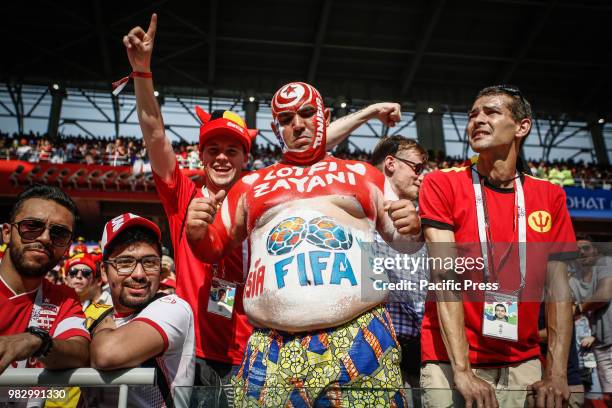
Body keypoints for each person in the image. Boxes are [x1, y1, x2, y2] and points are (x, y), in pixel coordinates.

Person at [121, 13, 404, 407]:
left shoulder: (259, 188)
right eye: (213, 150)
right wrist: (142, 73)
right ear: (200, 156)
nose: (222, 158)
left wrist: (367, 113)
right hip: (199, 350)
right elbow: (155, 134)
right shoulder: (188, 196)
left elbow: (310, 143)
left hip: (248, 346)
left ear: (245, 156)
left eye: (231, 150)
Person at [186, 80, 420, 406]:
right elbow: (211, 247)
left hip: (359, 340)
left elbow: (403, 241)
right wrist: (195, 230)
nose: (297, 125)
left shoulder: (364, 174)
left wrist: (412, 226)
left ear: (323, 116)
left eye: (307, 113)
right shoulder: (250, 186)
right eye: (285, 119)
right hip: (271, 347)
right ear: (275, 127)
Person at [418, 85, 577, 408]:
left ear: (522, 126)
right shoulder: (442, 183)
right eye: (473, 114)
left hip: (523, 361)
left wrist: (557, 373)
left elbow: (559, 289)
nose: (477, 120)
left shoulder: (550, 195)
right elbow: (444, 277)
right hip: (450, 361)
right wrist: (462, 372)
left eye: (491, 112)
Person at [89, 213, 195, 408]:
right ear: (104, 271)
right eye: (125, 262)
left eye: (149, 263)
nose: (139, 274)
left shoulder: (173, 308)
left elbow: (106, 353)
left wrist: (100, 323)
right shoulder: (93, 315)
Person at [0, 185, 90, 374]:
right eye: (32, 226)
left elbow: (80, 353)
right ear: (7, 232)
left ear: (67, 247)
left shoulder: (64, 298)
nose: (45, 238)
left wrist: (37, 342)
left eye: (59, 233)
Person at [369, 136, 428, 397]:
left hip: (422, 350)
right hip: (378, 349)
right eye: (417, 168)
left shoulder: (424, 217)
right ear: (391, 163)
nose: (421, 177)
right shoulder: (362, 214)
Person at [573, 235, 612, 399]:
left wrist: (578, 308)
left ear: (595, 251)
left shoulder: (607, 263)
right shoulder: (574, 279)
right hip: (601, 343)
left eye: (586, 248)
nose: (582, 252)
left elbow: (603, 295)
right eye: (577, 250)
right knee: (608, 396)